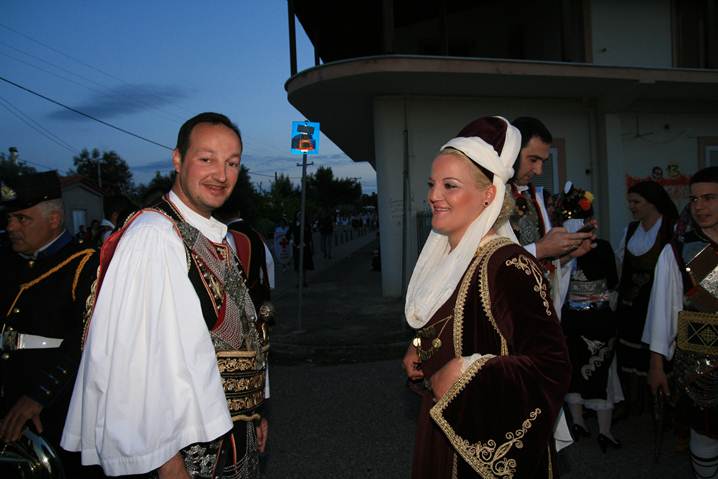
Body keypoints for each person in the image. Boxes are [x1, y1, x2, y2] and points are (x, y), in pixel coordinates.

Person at [61, 112, 270, 478]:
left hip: (232, 431)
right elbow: (135, 362)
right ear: (177, 159)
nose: (221, 175)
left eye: (232, 163)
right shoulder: (154, 236)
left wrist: (255, 412)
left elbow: (243, 334)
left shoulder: (209, 234)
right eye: (206, 159)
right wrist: (166, 461)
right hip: (186, 452)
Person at [402, 116, 571, 478]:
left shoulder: (508, 265)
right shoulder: (452, 259)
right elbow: (448, 324)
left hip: (481, 448)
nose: (433, 196)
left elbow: (552, 366)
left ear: (489, 195)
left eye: (450, 185)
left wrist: (467, 372)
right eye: (432, 184)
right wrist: (419, 346)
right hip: (443, 433)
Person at [0, 171, 101, 477]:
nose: (11, 227)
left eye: (22, 219)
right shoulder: (9, 261)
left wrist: (41, 394)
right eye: (9, 218)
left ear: (54, 219)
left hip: (58, 409)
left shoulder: (85, 263)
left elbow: (87, 338)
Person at [643, 167, 718, 478]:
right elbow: (663, 311)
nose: (699, 206)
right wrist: (656, 365)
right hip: (699, 366)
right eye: (695, 199)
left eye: (709, 198)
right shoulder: (677, 250)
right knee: (705, 434)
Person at [555, 188, 623, 452]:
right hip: (598, 317)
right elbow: (613, 281)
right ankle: (604, 431)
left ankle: (578, 422)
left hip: (571, 317)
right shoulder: (601, 247)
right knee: (602, 371)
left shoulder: (559, 250)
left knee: (574, 367)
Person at [508, 117, 595, 316]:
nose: (539, 171)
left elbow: (545, 268)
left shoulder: (534, 198)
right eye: (533, 160)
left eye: (543, 162)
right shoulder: (488, 196)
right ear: (511, 152)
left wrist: (568, 254)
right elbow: (486, 265)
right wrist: (542, 248)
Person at [615, 181, 678, 416]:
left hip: (658, 305)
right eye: (629, 202)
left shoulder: (671, 229)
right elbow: (622, 266)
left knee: (656, 349)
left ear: (652, 203)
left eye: (636, 202)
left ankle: (663, 409)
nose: (631, 206)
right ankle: (636, 405)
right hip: (632, 305)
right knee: (631, 354)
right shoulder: (631, 230)